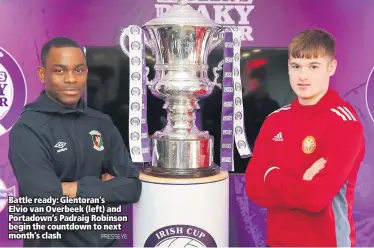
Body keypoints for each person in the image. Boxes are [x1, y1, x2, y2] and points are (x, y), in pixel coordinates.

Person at [8, 37, 142, 247]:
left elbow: (132, 187)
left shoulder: (101, 122)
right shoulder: (28, 129)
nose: (71, 79)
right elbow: (45, 202)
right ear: (43, 74)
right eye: (60, 71)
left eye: (78, 70)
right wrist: (104, 189)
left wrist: (70, 189)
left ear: (86, 73)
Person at [245, 29, 365, 247]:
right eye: (296, 66)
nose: (303, 76)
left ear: (331, 68)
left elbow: (315, 199)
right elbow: (253, 187)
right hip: (278, 243)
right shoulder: (275, 121)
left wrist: (271, 175)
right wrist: (302, 181)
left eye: (313, 67)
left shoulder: (344, 122)